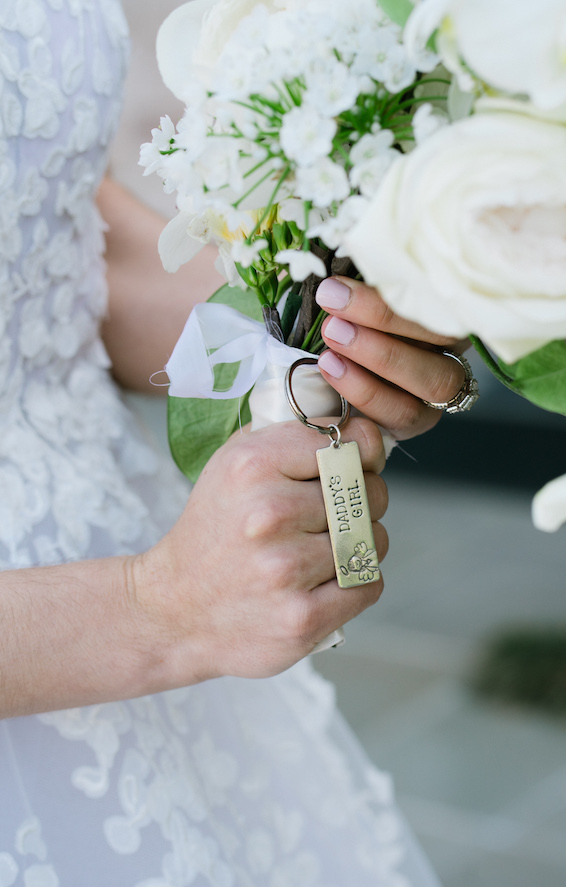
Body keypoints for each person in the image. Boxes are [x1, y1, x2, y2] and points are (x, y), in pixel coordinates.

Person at [0, 3, 465, 884]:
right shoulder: (161, 602)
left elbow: (55, 248)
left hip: (153, 640)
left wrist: (311, 333)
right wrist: (154, 608)